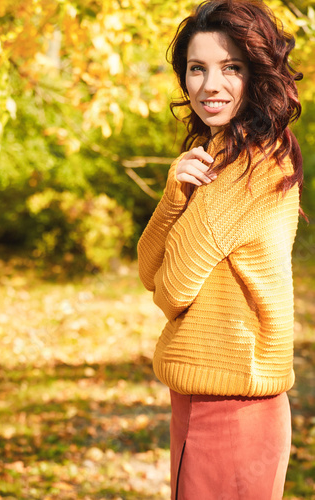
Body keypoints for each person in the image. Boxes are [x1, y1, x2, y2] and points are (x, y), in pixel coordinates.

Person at [137, 0, 306, 498]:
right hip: (200, 392)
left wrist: (191, 210)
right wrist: (175, 194)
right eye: (197, 68)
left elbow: (169, 292)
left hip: (235, 407)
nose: (210, 85)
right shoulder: (216, 157)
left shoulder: (252, 168)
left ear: (257, 76)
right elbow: (149, 268)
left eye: (231, 67)